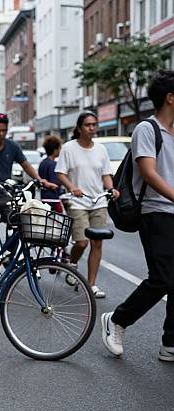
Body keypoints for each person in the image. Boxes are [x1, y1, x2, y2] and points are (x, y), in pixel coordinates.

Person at [101, 71, 174, 360]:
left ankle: (170, 342)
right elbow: (148, 172)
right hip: (155, 212)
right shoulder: (147, 129)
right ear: (170, 98)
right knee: (162, 278)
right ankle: (118, 320)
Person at [55, 112, 119, 298]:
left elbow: (105, 174)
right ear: (79, 128)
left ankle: (91, 285)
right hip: (77, 202)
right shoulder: (69, 148)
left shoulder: (101, 150)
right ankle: (72, 263)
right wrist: (72, 187)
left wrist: (111, 189)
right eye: (87, 125)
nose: (91, 128)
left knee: (97, 243)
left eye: (94, 125)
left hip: (98, 201)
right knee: (82, 242)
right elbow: (60, 173)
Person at [0, 113, 55, 222]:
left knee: (18, 225)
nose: (1, 134)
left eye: (4, 130)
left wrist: (40, 180)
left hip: (7, 194)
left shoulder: (12, 146)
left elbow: (26, 165)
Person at [38, 135, 63, 213]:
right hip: (53, 199)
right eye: (59, 148)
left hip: (43, 197)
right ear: (55, 150)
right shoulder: (53, 164)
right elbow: (54, 183)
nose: (60, 150)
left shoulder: (42, 163)